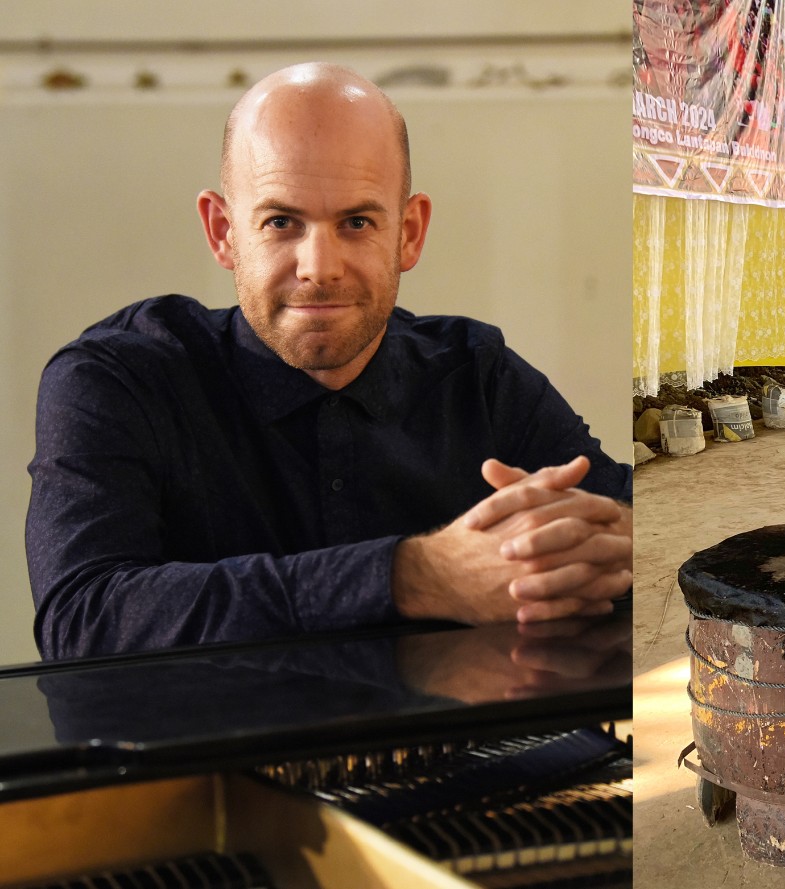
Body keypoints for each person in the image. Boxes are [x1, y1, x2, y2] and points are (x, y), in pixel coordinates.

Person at [26, 63, 632, 660]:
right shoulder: (118, 379)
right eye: (281, 221)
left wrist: (599, 543)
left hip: (472, 753)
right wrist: (414, 575)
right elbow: (84, 618)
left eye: (357, 222)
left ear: (409, 232)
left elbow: (626, 524)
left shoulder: (479, 375)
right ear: (223, 231)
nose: (320, 267)